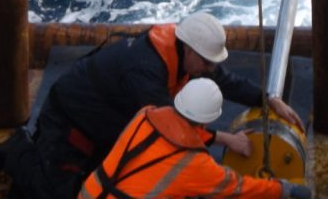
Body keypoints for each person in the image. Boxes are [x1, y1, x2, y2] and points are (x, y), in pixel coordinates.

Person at [0, 11, 303, 199]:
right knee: (60, 193)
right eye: (207, 62)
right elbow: (171, 130)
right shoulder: (146, 73)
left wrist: (268, 99)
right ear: (190, 50)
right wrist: (227, 139)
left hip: (113, 118)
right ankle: (17, 149)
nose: (210, 69)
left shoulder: (187, 54)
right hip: (71, 116)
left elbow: (225, 80)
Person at [78, 78, 311, 199]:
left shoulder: (145, 115)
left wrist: (226, 139)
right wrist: (284, 189)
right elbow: (238, 188)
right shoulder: (194, 165)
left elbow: (177, 130)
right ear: (207, 121)